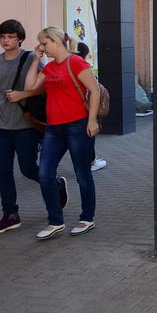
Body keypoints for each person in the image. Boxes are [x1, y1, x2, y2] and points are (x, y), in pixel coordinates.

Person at [0, 19, 67, 234]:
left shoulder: (30, 59)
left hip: (26, 126)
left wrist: (22, 95)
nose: (6, 41)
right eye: (3, 37)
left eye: (11, 37)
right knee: (2, 171)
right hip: (1, 127)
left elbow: (44, 87)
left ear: (20, 39)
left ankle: (56, 184)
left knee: (28, 169)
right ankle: (10, 214)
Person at [23, 26, 102, 240]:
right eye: (40, 44)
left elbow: (94, 90)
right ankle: (55, 221)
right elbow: (30, 86)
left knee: (82, 174)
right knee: (44, 173)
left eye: (44, 44)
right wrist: (34, 58)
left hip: (77, 126)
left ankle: (87, 218)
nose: (42, 48)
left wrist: (92, 120)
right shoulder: (48, 68)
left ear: (56, 42)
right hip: (54, 129)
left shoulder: (75, 62)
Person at [75, 42, 107, 172]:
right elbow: (94, 90)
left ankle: (90, 161)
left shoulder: (67, 65)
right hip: (85, 110)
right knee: (89, 136)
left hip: (75, 111)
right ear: (86, 54)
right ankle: (91, 162)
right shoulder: (83, 67)